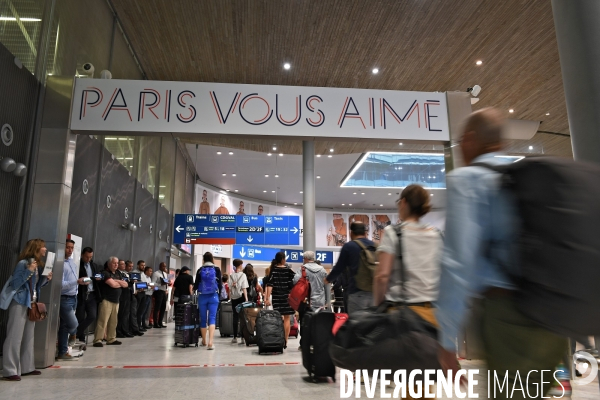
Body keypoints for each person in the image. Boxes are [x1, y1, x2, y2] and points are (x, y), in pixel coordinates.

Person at [436, 108, 567, 397]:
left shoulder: (467, 180)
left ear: (470, 139)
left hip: (508, 318)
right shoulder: (524, 177)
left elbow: (457, 264)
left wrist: (447, 340)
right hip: (552, 316)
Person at [373, 184, 442, 316]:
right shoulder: (437, 235)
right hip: (432, 314)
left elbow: (382, 276)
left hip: (402, 314)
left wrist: (378, 306)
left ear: (403, 202)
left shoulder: (393, 232)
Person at [1, 239, 52, 381]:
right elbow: (16, 283)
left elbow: (35, 286)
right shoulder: (24, 264)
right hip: (19, 302)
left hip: (31, 302)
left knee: (28, 336)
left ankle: (26, 367)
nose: (45, 250)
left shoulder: (37, 265)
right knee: (14, 337)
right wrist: (28, 271)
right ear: (36, 248)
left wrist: (46, 279)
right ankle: (10, 370)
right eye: (43, 247)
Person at [325, 222, 376, 315]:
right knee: (372, 325)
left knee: (355, 324)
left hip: (357, 292)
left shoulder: (349, 246)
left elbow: (339, 268)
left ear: (351, 233)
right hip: (374, 294)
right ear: (365, 233)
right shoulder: (374, 246)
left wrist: (328, 279)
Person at [293, 251, 328, 349]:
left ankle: (304, 343)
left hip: (306, 301)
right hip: (320, 301)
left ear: (305, 259)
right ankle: (317, 342)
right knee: (318, 322)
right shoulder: (322, 269)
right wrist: (327, 300)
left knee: (304, 322)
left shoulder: (302, 269)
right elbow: (327, 284)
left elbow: (295, 281)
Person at [57, 239, 84, 361]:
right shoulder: (60, 263)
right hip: (64, 298)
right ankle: (73, 334)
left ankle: (62, 352)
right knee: (73, 324)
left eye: (72, 247)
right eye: (68, 247)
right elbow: (61, 285)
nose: (70, 250)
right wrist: (76, 282)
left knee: (64, 326)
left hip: (74, 297)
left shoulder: (72, 262)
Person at [93, 257, 128, 347]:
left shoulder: (118, 273)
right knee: (103, 321)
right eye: (114, 263)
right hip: (106, 300)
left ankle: (111, 339)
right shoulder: (105, 273)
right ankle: (98, 340)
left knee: (113, 321)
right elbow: (112, 284)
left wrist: (116, 281)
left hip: (116, 301)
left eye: (117, 263)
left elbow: (126, 284)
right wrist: (119, 282)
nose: (116, 265)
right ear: (109, 264)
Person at [265, 251, 296, 349]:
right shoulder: (288, 270)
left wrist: (267, 298)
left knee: (278, 318)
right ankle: (285, 341)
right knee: (287, 319)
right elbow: (295, 280)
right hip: (287, 297)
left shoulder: (273, 271)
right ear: (283, 260)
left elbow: (270, 284)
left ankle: (279, 339)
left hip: (277, 297)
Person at [194, 252, 222, 350]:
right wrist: (218, 295)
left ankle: (204, 341)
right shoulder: (217, 269)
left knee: (203, 318)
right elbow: (220, 285)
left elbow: (196, 285)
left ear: (204, 259)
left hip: (202, 297)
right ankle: (210, 342)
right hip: (213, 296)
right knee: (212, 318)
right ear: (212, 259)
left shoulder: (200, 270)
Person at [76, 247, 102, 342]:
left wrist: (98, 277)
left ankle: (76, 331)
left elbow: (97, 276)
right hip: (81, 294)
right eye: (87, 257)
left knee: (92, 316)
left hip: (92, 294)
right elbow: (80, 279)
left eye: (90, 257)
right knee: (80, 317)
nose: (88, 259)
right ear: (82, 255)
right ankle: (81, 338)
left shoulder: (94, 265)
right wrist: (91, 278)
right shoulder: (78, 265)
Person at [228, 259, 248, 344]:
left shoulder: (231, 276)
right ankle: (243, 338)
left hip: (234, 298)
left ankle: (235, 337)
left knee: (235, 317)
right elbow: (244, 288)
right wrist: (246, 298)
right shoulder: (243, 275)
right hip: (241, 298)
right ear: (239, 265)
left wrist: (230, 297)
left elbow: (229, 288)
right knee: (242, 317)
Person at [124, 261, 143, 336]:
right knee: (126, 314)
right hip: (127, 295)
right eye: (129, 266)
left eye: (132, 266)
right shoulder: (124, 274)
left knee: (133, 313)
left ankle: (135, 329)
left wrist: (138, 289)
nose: (131, 268)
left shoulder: (132, 275)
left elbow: (135, 284)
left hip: (134, 295)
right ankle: (126, 330)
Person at [116, 259, 133, 338]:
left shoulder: (125, 274)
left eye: (124, 264)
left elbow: (128, 284)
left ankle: (125, 330)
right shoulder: (117, 273)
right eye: (122, 264)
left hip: (127, 295)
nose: (124, 266)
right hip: (121, 295)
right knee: (120, 314)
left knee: (125, 314)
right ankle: (119, 331)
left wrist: (130, 282)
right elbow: (123, 284)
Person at [151, 262, 169, 328]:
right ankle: (155, 323)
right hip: (158, 291)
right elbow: (152, 283)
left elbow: (166, 281)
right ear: (160, 266)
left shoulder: (165, 274)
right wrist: (160, 284)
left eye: (165, 266)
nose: (164, 268)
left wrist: (168, 283)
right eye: (163, 266)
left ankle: (160, 322)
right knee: (157, 307)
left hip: (164, 291)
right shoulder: (156, 274)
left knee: (163, 307)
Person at [139, 265, 154, 330]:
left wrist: (151, 287)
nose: (151, 272)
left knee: (146, 311)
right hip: (145, 294)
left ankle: (144, 324)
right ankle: (140, 325)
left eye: (151, 271)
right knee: (142, 311)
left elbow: (151, 286)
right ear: (146, 271)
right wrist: (149, 286)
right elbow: (143, 286)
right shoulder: (143, 276)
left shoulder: (149, 278)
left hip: (149, 295)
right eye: (150, 271)